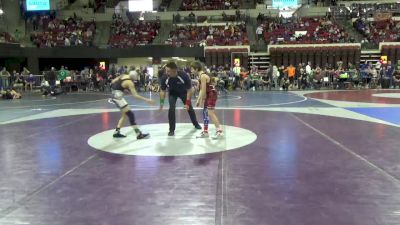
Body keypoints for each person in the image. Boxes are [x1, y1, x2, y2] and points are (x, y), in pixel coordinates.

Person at [159, 61, 202, 136]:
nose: (166, 72)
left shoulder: (184, 75)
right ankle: (171, 130)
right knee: (171, 109)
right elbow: (162, 91)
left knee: (190, 108)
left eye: (168, 71)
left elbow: (189, 90)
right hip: (172, 93)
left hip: (183, 92)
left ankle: (195, 124)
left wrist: (188, 103)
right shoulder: (165, 77)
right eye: (166, 70)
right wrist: (161, 103)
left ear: (174, 71)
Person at [110, 73, 155, 138]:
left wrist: (120, 88)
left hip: (114, 95)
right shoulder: (130, 83)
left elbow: (113, 81)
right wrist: (147, 100)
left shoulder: (123, 75)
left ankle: (117, 132)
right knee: (131, 115)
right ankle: (138, 134)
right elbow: (135, 95)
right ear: (134, 78)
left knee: (125, 114)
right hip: (118, 97)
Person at [191, 61, 223, 139]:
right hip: (209, 94)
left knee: (210, 113)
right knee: (205, 113)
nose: (191, 71)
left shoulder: (202, 76)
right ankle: (205, 132)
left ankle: (219, 131)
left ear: (196, 69)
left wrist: (201, 100)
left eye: (192, 69)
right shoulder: (201, 76)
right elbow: (202, 90)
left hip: (211, 94)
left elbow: (204, 90)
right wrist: (198, 100)